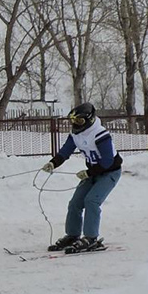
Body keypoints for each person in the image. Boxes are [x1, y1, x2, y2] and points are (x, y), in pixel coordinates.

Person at [41, 103, 123, 252]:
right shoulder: (76, 135)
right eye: (73, 121)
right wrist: (53, 163)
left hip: (109, 172)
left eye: (79, 121)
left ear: (89, 120)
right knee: (75, 203)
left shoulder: (99, 134)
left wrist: (88, 173)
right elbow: (65, 151)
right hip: (93, 172)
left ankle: (91, 237)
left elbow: (107, 161)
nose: (75, 124)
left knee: (91, 201)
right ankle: (72, 235)